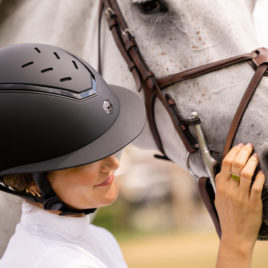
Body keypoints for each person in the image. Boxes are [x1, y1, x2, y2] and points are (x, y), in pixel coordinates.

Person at [0, 43, 265, 268]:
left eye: (107, 148)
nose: (113, 163)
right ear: (31, 181)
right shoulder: (56, 262)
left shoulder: (94, 239)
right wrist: (236, 242)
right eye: (87, 156)